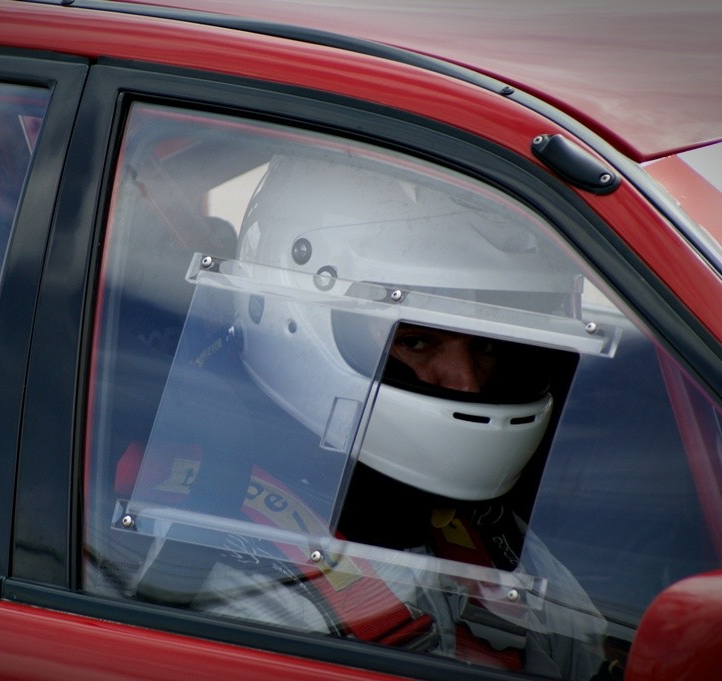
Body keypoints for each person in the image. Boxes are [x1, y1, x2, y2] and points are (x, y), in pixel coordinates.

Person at [110, 155, 615, 679]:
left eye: (487, 344)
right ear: (290, 320)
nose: (468, 383)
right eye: (416, 341)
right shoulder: (230, 574)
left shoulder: (478, 525)